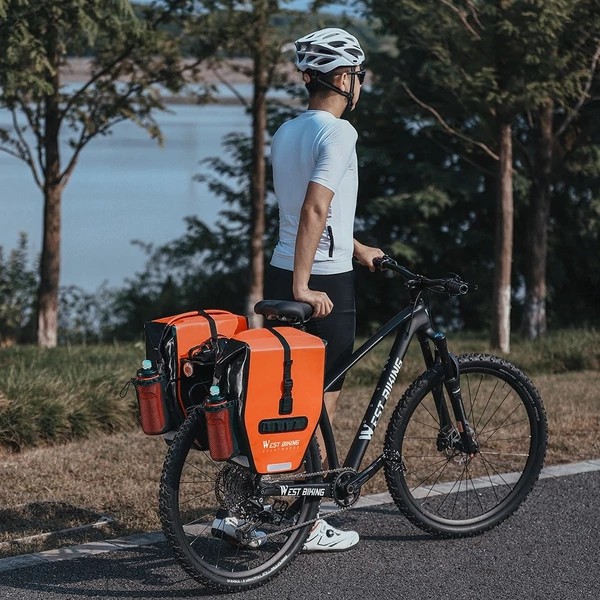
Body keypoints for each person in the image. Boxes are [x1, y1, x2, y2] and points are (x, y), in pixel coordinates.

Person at [264, 27, 385, 552]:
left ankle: (261, 503)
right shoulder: (340, 134)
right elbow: (315, 208)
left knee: (279, 394)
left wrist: (358, 246)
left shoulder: (287, 131)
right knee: (321, 397)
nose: (361, 84)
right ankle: (309, 520)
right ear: (342, 77)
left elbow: (305, 212)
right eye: (358, 74)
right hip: (321, 279)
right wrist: (305, 285)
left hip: (282, 266)